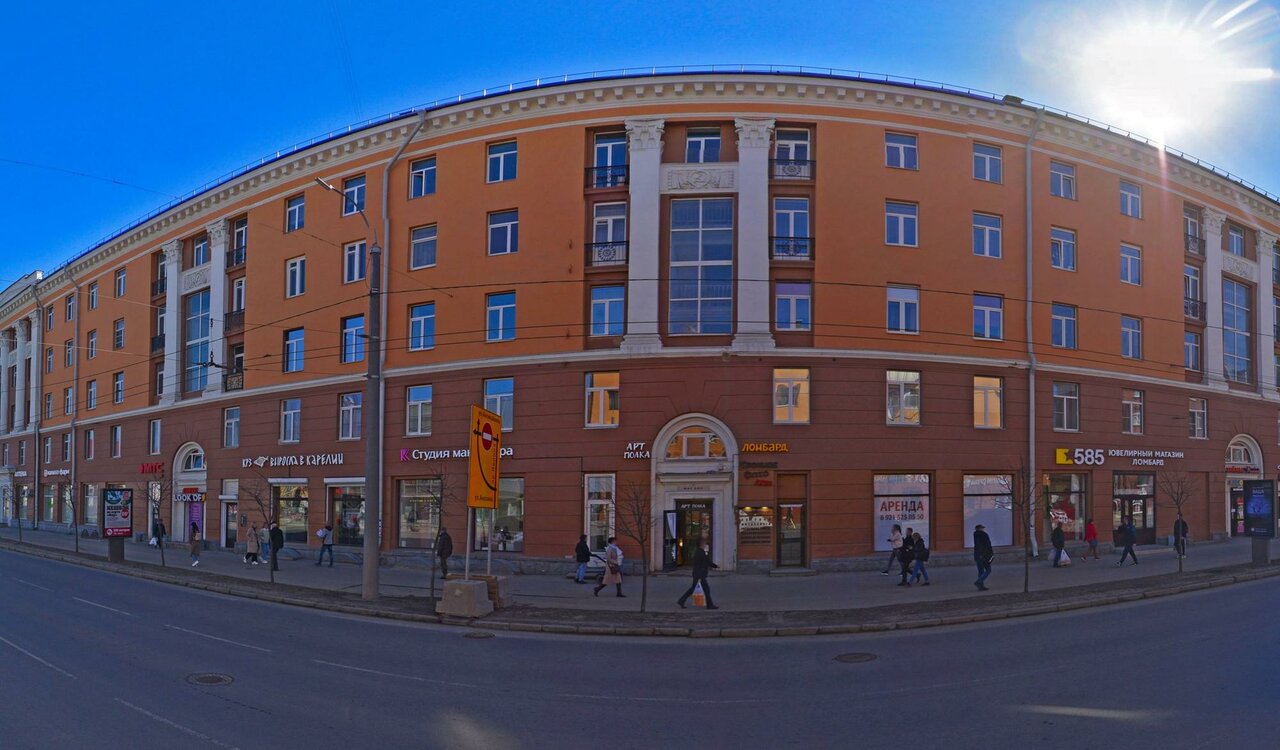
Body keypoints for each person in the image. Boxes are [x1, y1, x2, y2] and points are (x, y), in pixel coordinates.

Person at [677, 540, 719, 609]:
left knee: (695, 589)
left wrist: (715, 566)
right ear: (701, 545)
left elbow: (705, 562)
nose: (705, 545)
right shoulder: (701, 553)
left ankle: (681, 600)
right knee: (706, 590)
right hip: (700, 575)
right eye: (704, 543)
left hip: (698, 574)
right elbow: (706, 562)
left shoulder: (699, 552)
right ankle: (709, 605)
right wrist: (715, 566)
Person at [973, 524, 993, 591]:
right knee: (988, 570)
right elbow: (988, 545)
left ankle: (981, 586)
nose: (983, 529)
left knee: (980, 571)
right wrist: (991, 553)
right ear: (979, 528)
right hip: (984, 556)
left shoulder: (975, 535)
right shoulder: (984, 535)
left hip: (977, 556)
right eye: (982, 528)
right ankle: (979, 581)